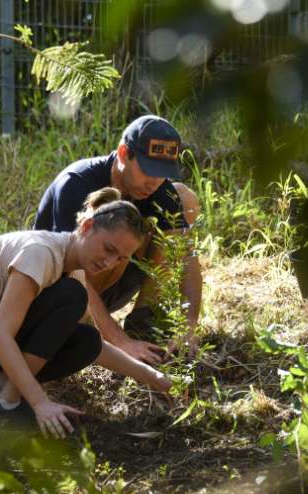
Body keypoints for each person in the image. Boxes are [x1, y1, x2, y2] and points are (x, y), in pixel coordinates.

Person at [0, 188, 172, 438]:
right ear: (87, 227)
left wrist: (151, 376)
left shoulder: (73, 272)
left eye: (120, 259)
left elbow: (96, 346)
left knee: (87, 340)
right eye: (109, 249)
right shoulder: (42, 253)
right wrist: (40, 403)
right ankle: (10, 402)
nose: (109, 262)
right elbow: (0, 335)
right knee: (72, 296)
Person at [34, 115, 202, 365]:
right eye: (148, 170)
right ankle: (93, 330)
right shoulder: (77, 184)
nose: (155, 182)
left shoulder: (158, 189)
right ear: (124, 154)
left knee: (182, 198)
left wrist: (189, 325)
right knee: (118, 238)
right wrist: (121, 342)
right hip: (59, 296)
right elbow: (71, 274)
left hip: (109, 287)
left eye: (162, 173)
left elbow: (185, 255)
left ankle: (145, 318)